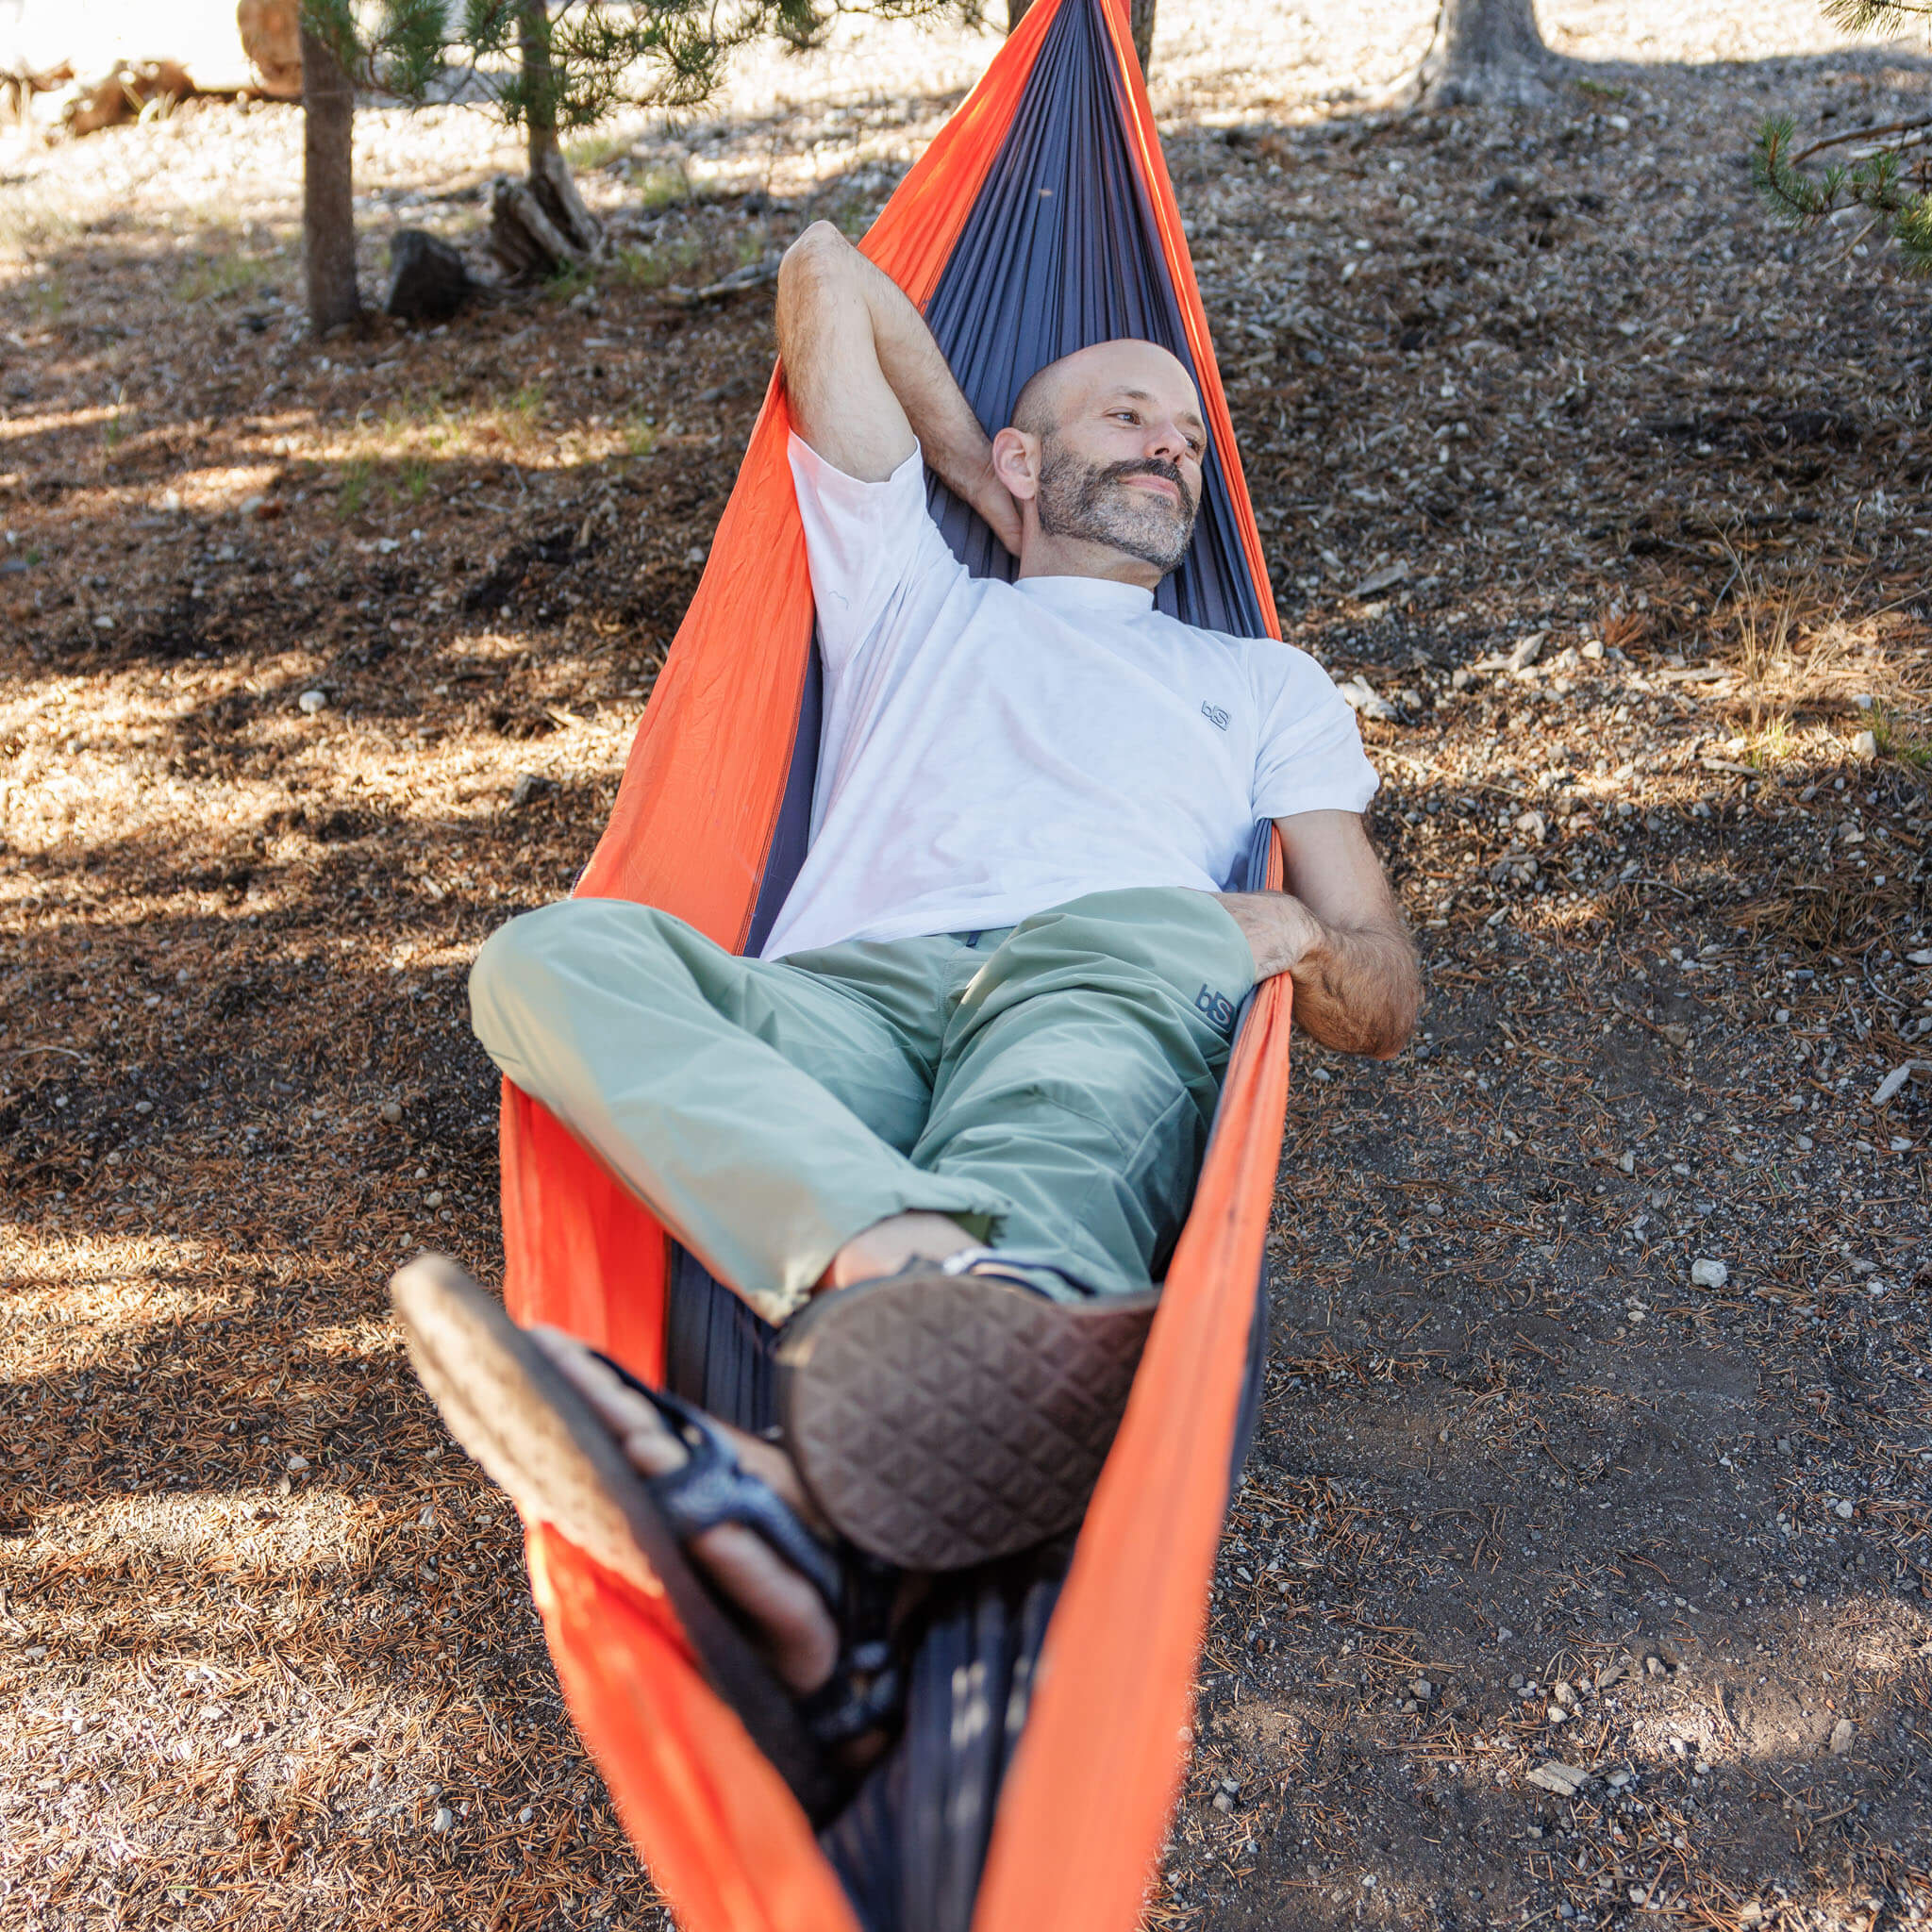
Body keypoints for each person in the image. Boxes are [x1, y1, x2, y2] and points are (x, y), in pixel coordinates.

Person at [393, 220, 1420, 1807]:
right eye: (1129, 416)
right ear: (1023, 451)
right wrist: (981, 486)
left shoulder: (1262, 679)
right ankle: (921, 1292)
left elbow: (1383, 997)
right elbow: (825, 276)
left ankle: (822, 1477)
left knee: (1059, 1097)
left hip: (1107, 958)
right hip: (846, 996)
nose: (1174, 445)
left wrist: (1284, 922)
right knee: (545, 961)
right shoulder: (913, 601)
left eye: (1190, 436)